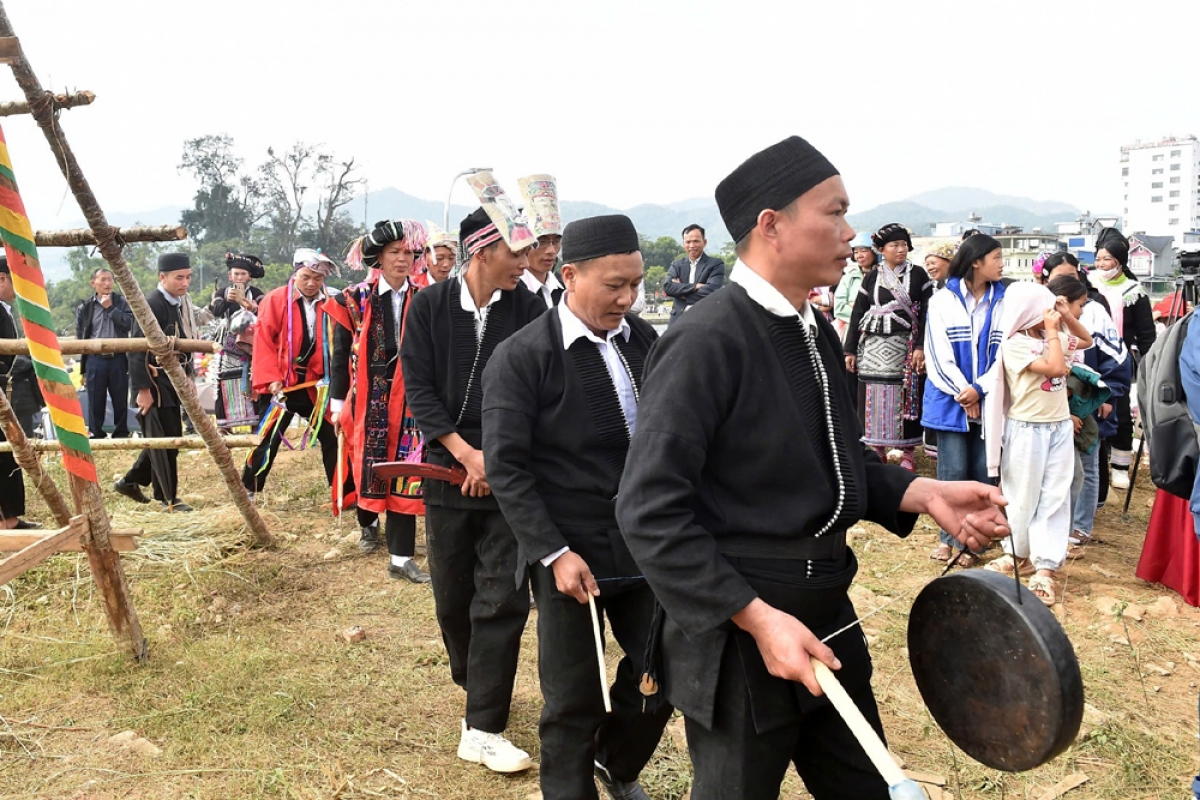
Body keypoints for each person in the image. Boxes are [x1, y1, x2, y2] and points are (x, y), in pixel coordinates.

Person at [615, 135, 1011, 800]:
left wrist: (921, 491)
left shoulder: (814, 328)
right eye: (834, 211)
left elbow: (830, 458)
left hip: (827, 610)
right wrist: (757, 618)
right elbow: (648, 510)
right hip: (746, 628)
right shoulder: (705, 340)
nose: (850, 230)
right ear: (771, 225)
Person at [483, 214, 671, 800]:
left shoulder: (645, 341)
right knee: (573, 696)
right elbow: (507, 469)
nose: (627, 297)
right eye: (614, 284)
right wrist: (554, 552)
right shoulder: (523, 357)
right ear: (569, 275)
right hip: (570, 551)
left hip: (647, 544)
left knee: (661, 673)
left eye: (636, 284)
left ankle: (616, 762)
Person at [400, 200, 546, 773]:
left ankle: (483, 725)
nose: (526, 262)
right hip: (447, 471)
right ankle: (478, 685)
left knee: (503, 598)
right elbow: (419, 387)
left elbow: (537, 387)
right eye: (516, 252)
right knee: (452, 599)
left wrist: (497, 462)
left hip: (509, 475)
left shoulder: (529, 306)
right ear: (483, 251)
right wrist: (465, 455)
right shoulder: (431, 306)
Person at [327, 220, 430, 584]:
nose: (403, 260)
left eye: (409, 253)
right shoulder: (354, 299)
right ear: (378, 259)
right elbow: (340, 356)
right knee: (368, 468)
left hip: (411, 404)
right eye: (394, 253)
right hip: (369, 403)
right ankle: (367, 525)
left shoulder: (426, 297)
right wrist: (337, 402)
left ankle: (400, 558)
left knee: (405, 474)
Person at [984, 283, 1092, 606]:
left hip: (1057, 428)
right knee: (1021, 494)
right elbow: (1056, 368)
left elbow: (1086, 340)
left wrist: (1064, 319)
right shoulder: (1015, 345)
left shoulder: (1050, 338)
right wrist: (1052, 332)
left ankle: (1046, 566)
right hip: (1026, 430)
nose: (1051, 316)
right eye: (1043, 309)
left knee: (1055, 495)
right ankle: (1016, 554)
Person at [922, 234, 1006, 566]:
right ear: (976, 262)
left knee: (982, 475)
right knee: (952, 473)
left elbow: (1005, 354)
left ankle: (974, 542)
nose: (1002, 264)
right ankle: (949, 539)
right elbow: (937, 354)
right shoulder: (942, 300)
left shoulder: (1004, 301)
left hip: (989, 399)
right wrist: (963, 392)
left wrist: (980, 389)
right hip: (950, 401)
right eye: (996, 257)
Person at [1043, 257, 1129, 547]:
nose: (1082, 309)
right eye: (1078, 304)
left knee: (1087, 468)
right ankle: (1065, 527)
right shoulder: (1045, 334)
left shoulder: (1078, 325)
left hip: (1082, 407)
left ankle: (1080, 527)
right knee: (1068, 472)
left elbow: (1097, 347)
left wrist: (1110, 390)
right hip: (1060, 409)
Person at [241, 249, 340, 499]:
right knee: (268, 437)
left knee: (333, 434)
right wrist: (271, 378)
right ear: (296, 273)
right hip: (283, 383)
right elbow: (264, 341)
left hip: (317, 384)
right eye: (306, 276)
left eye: (317, 279)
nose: (311, 283)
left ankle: (342, 490)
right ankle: (249, 490)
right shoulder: (275, 300)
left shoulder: (331, 301)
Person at [114, 253, 200, 512]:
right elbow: (137, 349)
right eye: (179, 278)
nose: (184, 283)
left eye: (188, 277)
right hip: (152, 385)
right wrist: (142, 390)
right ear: (162, 277)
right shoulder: (152, 304)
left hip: (170, 383)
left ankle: (130, 481)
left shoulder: (177, 303)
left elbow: (180, 344)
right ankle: (168, 499)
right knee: (162, 442)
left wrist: (187, 376)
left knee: (170, 438)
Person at [844, 223, 932, 472]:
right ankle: (878, 449)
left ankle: (908, 452)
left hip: (905, 348)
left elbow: (926, 313)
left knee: (906, 396)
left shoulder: (919, 275)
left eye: (904, 244)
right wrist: (849, 350)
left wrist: (920, 346)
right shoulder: (872, 276)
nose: (901, 249)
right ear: (882, 249)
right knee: (873, 396)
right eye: (895, 245)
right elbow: (858, 312)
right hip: (873, 348)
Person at [1089, 228, 1155, 492]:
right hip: (1091, 355)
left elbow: (1145, 332)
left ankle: (1119, 467)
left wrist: (1150, 363)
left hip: (1121, 358)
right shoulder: (1089, 284)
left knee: (1122, 413)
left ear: (1120, 261)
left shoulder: (1134, 292)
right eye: (1098, 259)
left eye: (1107, 259)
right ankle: (1098, 460)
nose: (1101, 264)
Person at [0, 255, 40, 529]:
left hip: (7, 394)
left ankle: (9, 517)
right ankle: (8, 520)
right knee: (4, 456)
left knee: (8, 454)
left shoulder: (5, 310)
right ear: (2, 278)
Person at [75, 268, 134, 439]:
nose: (107, 283)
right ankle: (96, 432)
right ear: (93, 283)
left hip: (118, 358)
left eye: (110, 279)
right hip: (95, 359)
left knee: (120, 396)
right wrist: (83, 368)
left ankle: (122, 432)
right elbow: (81, 337)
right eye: (103, 280)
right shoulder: (85, 307)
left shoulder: (121, 302)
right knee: (95, 397)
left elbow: (129, 324)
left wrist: (110, 309)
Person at [518, 174, 565, 308]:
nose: (551, 251)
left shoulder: (566, 291)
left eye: (555, 241)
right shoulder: (512, 292)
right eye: (542, 242)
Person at [664, 224, 724, 325]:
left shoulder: (715, 264)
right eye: (688, 242)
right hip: (678, 321)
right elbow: (668, 287)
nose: (692, 245)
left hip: (705, 321)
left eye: (696, 241)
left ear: (704, 242)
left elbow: (712, 291)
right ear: (683, 244)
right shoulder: (677, 265)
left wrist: (683, 295)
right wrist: (695, 286)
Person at [833, 232, 873, 340]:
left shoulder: (884, 277)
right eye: (856, 252)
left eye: (864, 251)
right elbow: (839, 308)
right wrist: (864, 317)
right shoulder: (849, 278)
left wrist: (854, 305)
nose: (859, 255)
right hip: (851, 334)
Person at [208, 252, 264, 322]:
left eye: (243, 274)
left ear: (249, 276)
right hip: (229, 332)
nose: (240, 278)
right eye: (236, 274)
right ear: (230, 275)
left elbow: (267, 314)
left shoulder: (257, 294)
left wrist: (252, 309)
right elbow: (215, 312)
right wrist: (227, 301)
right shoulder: (222, 293)